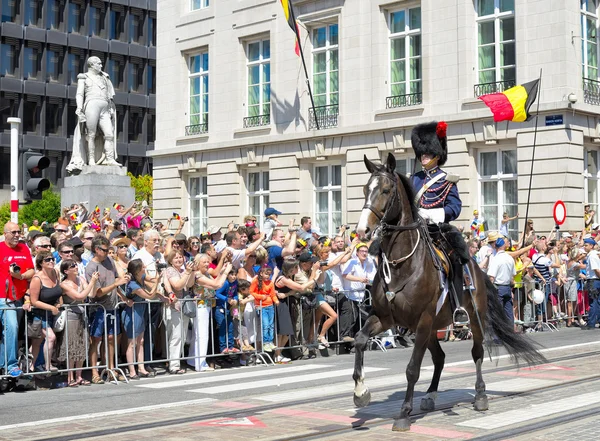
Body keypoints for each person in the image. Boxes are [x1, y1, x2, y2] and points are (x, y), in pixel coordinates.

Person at [410, 121, 469, 324]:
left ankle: (458, 306)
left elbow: (455, 207)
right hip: (415, 229)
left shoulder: (446, 180)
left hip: (437, 230)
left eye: (427, 154)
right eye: (421, 154)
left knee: (456, 258)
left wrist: (432, 214)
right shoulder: (414, 179)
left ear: (437, 154)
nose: (423, 157)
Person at [86, 235, 130, 384]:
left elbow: (117, 280)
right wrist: (116, 284)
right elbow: (98, 292)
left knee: (111, 338)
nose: (108, 252)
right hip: (98, 307)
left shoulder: (110, 261)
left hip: (112, 306)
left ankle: (111, 368)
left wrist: (123, 297)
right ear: (97, 250)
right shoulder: (91, 267)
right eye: (105, 250)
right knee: (96, 340)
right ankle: (94, 372)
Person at [0, 221, 34, 377]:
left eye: (18, 232)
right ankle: (11, 365)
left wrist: (19, 276)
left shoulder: (24, 248)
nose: (17, 235)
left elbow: (31, 271)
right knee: (11, 328)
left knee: (10, 331)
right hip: (3, 298)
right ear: (5, 233)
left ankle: (4, 365)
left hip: (18, 297)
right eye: (13, 232)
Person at [58, 258, 98, 386]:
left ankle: (79, 376)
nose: (76, 267)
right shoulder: (64, 284)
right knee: (71, 346)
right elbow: (79, 297)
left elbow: (90, 294)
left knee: (82, 345)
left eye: (75, 265)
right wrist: (92, 282)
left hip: (82, 314)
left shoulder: (81, 279)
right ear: (66, 270)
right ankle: (70, 377)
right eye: (72, 266)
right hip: (71, 315)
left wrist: (93, 282)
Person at [188, 253, 231, 372]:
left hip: (206, 305)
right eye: (204, 262)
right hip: (200, 306)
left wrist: (222, 271)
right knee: (202, 335)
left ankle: (193, 360)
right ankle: (200, 363)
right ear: (197, 263)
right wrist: (226, 272)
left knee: (198, 335)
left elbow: (216, 281)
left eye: (208, 261)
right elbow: (217, 285)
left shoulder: (205, 274)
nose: (207, 264)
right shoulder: (197, 275)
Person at [122, 259, 160, 379]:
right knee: (132, 343)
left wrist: (157, 272)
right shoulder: (133, 284)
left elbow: (151, 278)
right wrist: (157, 283)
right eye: (143, 267)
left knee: (141, 341)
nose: (145, 267)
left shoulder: (141, 277)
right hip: (132, 312)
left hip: (140, 309)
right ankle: (132, 370)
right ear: (137, 270)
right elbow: (149, 295)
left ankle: (141, 367)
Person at [28, 251, 62, 373]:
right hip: (39, 315)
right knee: (50, 337)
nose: (51, 261)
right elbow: (34, 301)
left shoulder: (56, 273)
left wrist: (59, 303)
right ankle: (48, 366)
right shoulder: (37, 278)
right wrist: (51, 308)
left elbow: (59, 292)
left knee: (38, 342)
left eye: (52, 259)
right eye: (47, 260)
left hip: (51, 315)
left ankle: (29, 367)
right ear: (41, 263)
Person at [165, 250, 196, 374]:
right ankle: (173, 365)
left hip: (183, 307)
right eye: (175, 258)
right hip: (174, 307)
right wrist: (188, 272)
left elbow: (189, 284)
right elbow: (177, 285)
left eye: (180, 257)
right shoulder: (170, 270)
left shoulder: (183, 271)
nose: (178, 259)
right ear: (170, 260)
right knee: (176, 336)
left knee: (182, 336)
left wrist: (191, 271)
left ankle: (176, 361)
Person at [341, 242, 377, 342]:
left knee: (358, 319)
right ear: (357, 253)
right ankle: (346, 338)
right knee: (351, 317)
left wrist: (369, 281)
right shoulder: (352, 262)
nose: (364, 253)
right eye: (362, 251)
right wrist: (359, 279)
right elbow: (345, 275)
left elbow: (370, 278)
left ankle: (357, 340)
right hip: (350, 294)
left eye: (366, 251)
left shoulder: (367, 263)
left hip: (361, 295)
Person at [250, 265, 279, 355]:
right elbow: (251, 291)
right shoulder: (256, 281)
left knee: (271, 325)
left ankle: (270, 341)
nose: (268, 276)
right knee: (265, 324)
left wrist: (276, 300)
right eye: (266, 274)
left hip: (270, 306)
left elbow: (272, 294)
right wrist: (260, 296)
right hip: (261, 306)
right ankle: (266, 342)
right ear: (261, 273)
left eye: (269, 274)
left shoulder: (270, 283)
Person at [487, 237, 516, 326]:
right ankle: (510, 333)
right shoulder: (509, 258)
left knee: (497, 313)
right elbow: (512, 276)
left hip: (498, 287)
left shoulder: (496, 259)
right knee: (509, 313)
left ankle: (498, 336)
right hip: (507, 287)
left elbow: (491, 277)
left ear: (495, 246)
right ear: (504, 246)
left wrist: (488, 290)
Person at [214, 270, 240, 354]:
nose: (233, 277)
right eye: (231, 275)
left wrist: (235, 299)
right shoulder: (225, 283)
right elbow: (217, 293)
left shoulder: (235, 282)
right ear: (227, 275)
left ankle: (231, 346)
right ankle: (223, 347)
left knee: (230, 326)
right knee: (222, 327)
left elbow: (235, 293)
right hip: (220, 307)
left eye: (235, 275)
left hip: (229, 307)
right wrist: (227, 299)